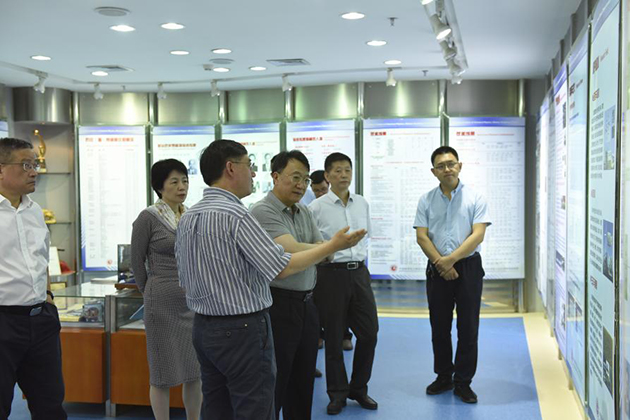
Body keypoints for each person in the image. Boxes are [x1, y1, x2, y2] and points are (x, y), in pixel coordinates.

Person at [175, 140, 366, 420]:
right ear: (231, 168)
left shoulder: (189, 216)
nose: (254, 173)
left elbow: (183, 279)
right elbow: (280, 267)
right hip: (243, 328)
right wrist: (333, 246)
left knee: (217, 406)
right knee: (255, 406)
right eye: (249, 165)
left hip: (204, 327)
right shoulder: (238, 215)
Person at [413, 146, 491, 404]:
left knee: (468, 327)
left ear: (459, 166)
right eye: (441, 166)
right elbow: (422, 236)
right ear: (433, 171)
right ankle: (444, 376)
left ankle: (463, 382)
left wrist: (450, 261)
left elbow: (478, 235)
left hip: (468, 267)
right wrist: (441, 263)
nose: (447, 169)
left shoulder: (475, 197)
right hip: (437, 268)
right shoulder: (426, 200)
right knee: (439, 326)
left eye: (451, 164)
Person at [251, 150, 323, 420]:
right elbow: (289, 252)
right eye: (295, 177)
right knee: (276, 380)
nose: (301, 185)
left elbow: (319, 248)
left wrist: (319, 248)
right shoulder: (262, 211)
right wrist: (326, 247)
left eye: (305, 179)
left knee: (303, 381)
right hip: (277, 305)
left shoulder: (304, 210)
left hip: (307, 303)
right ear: (275, 176)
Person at [0, 137, 67, 419]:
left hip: (41, 321)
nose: (34, 172)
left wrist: (48, 296)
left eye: (35, 165)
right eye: (26, 165)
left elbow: (41, 259)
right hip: (4, 321)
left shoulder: (35, 211)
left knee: (50, 406)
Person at [130, 159, 202, 420]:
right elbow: (136, 260)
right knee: (161, 373)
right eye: (174, 182)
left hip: (191, 301)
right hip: (160, 303)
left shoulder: (190, 215)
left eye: (185, 181)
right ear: (160, 187)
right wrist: (149, 291)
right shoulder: (148, 217)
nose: (182, 187)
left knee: (194, 371)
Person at [309, 152, 378, 415]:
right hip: (331, 275)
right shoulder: (316, 207)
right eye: (337, 170)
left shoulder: (362, 203)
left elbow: (367, 236)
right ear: (327, 176)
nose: (343, 175)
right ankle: (337, 393)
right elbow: (312, 244)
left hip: (359, 273)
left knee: (369, 333)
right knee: (334, 337)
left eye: (347, 169)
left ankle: (358, 388)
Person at [306, 170, 354, 352]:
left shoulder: (343, 206)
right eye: (316, 190)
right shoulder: (312, 207)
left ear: (328, 184)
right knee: (318, 302)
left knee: (343, 304)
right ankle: (319, 335)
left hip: (341, 262)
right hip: (319, 262)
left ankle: (345, 335)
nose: (320, 193)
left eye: (322, 189)